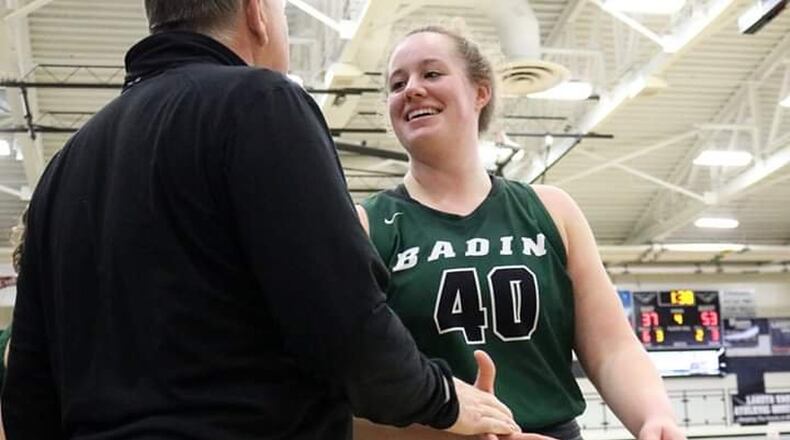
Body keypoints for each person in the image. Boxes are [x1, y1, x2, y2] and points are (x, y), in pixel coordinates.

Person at [1, 3, 522, 439]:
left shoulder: (64, 167)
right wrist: (441, 397)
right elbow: (343, 324)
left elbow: (28, 388)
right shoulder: (260, 101)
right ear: (258, 14)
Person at [355, 26, 686, 440]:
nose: (412, 89)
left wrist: (653, 416)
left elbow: (611, 348)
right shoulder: (367, 225)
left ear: (481, 92)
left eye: (432, 74)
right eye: (397, 83)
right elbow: (351, 395)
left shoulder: (550, 209)